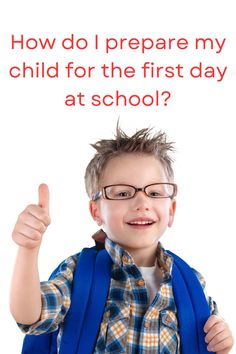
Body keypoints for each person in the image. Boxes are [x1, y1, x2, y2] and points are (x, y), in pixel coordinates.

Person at [10, 126, 233, 353]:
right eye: (123, 193)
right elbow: (30, 315)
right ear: (96, 211)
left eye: (155, 193)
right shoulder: (78, 273)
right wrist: (28, 250)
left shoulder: (191, 282)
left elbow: (209, 340)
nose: (142, 203)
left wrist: (221, 342)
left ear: (171, 210)